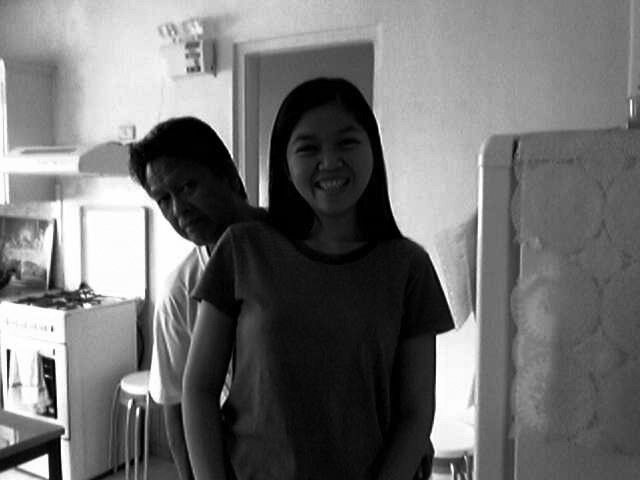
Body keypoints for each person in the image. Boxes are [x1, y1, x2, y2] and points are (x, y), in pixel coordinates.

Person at [183, 78, 454, 479]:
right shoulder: (243, 250)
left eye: (347, 142)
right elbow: (199, 388)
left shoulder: (408, 267)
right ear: (285, 161)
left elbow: (416, 413)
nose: (329, 162)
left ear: (372, 149)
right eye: (308, 148)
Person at [128, 116, 266, 480]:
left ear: (228, 176)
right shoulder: (180, 293)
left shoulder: (294, 241)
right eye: (163, 199)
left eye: (188, 186)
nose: (179, 210)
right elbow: (176, 406)